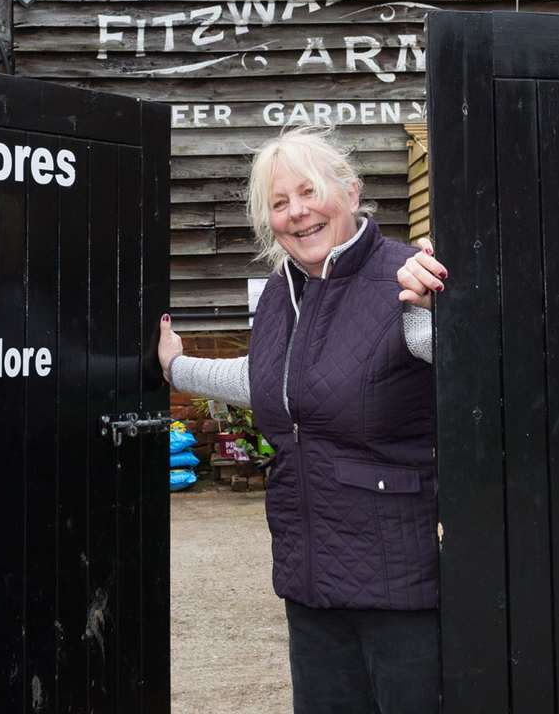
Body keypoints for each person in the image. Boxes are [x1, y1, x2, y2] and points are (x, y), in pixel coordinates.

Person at [157, 126, 449, 714]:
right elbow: (275, 385)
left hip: (403, 582)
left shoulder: (410, 276)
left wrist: (447, 308)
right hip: (310, 576)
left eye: (309, 191)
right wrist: (177, 367)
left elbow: (481, 372)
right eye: (280, 202)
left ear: (350, 190)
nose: (298, 212)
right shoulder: (279, 293)